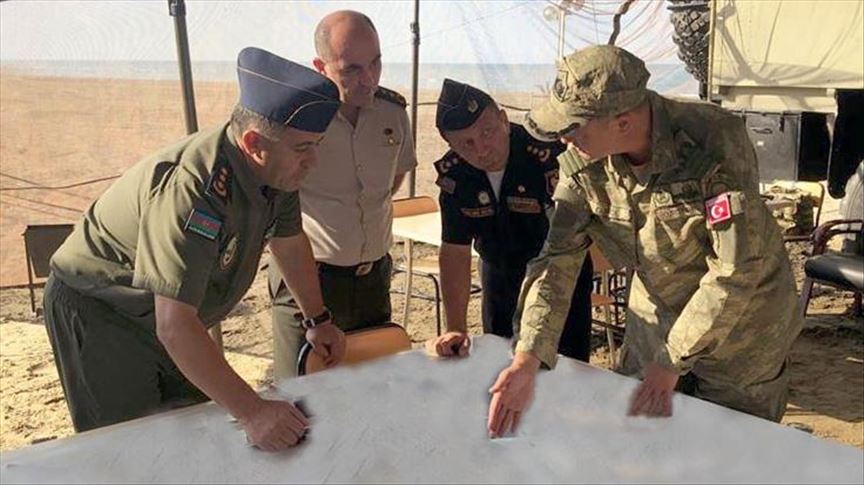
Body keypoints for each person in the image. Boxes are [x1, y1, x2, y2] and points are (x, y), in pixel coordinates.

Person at [486, 45, 803, 437]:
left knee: (731, 446)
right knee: (637, 442)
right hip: (655, 317)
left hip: (742, 333)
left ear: (623, 123)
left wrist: (672, 359)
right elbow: (557, 260)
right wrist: (527, 358)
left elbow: (736, 268)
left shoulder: (715, 138)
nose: (565, 139)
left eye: (574, 127)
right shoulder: (584, 162)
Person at [44, 47, 346, 452]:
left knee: (191, 435)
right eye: (303, 147)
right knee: (131, 450)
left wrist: (318, 319)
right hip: (104, 312)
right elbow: (174, 326)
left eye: (317, 144)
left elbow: (289, 243)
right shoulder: (194, 190)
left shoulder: (276, 170)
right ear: (254, 142)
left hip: (169, 316)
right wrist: (254, 412)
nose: (313, 161)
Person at [268, 10, 417, 380]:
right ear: (320, 67)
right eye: (352, 69)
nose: (369, 79)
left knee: (373, 389)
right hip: (310, 281)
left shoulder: (393, 113)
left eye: (376, 63)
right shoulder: (296, 122)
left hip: (373, 281)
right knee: (302, 397)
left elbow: (392, 182)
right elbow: (276, 205)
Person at [425, 79, 595, 362]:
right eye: (466, 143)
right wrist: (456, 327)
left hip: (558, 277)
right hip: (499, 278)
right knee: (502, 364)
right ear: (450, 144)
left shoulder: (548, 155)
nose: (481, 149)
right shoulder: (455, 175)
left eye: (487, 132)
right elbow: (455, 251)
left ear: (503, 120)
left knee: (565, 370)